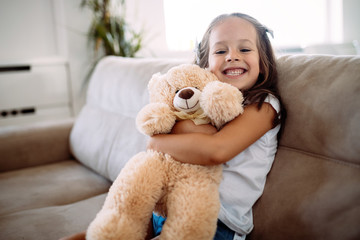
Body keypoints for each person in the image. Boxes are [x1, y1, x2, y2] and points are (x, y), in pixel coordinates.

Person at [60, 12, 286, 240]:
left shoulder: (264, 105)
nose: (232, 56)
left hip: (217, 223)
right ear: (206, 66)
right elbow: (179, 130)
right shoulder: (196, 102)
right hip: (165, 209)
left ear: (263, 62)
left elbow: (216, 150)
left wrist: (156, 142)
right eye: (220, 51)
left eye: (245, 49)